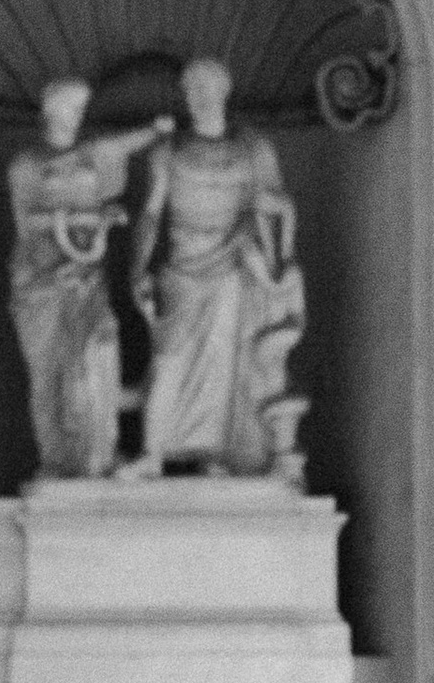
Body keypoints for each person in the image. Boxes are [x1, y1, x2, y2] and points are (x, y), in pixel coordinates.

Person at [128, 57, 306, 474]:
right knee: (169, 358)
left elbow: (278, 207)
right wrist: (137, 268)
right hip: (181, 266)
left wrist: (272, 230)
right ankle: (152, 451)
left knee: (224, 364)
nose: (197, 97)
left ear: (223, 92)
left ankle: (215, 453)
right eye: (190, 89)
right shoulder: (167, 150)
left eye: (205, 88)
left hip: (233, 265)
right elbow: (151, 213)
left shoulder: (252, 147)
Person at [5, 77, 172, 478]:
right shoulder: (26, 165)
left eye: (81, 109)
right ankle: (57, 458)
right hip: (42, 284)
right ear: (52, 112)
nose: (78, 116)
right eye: (72, 108)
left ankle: (100, 451)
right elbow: (26, 224)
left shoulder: (90, 156)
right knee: (48, 371)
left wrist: (156, 131)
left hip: (87, 280)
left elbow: (123, 145)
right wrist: (80, 219)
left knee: (100, 348)